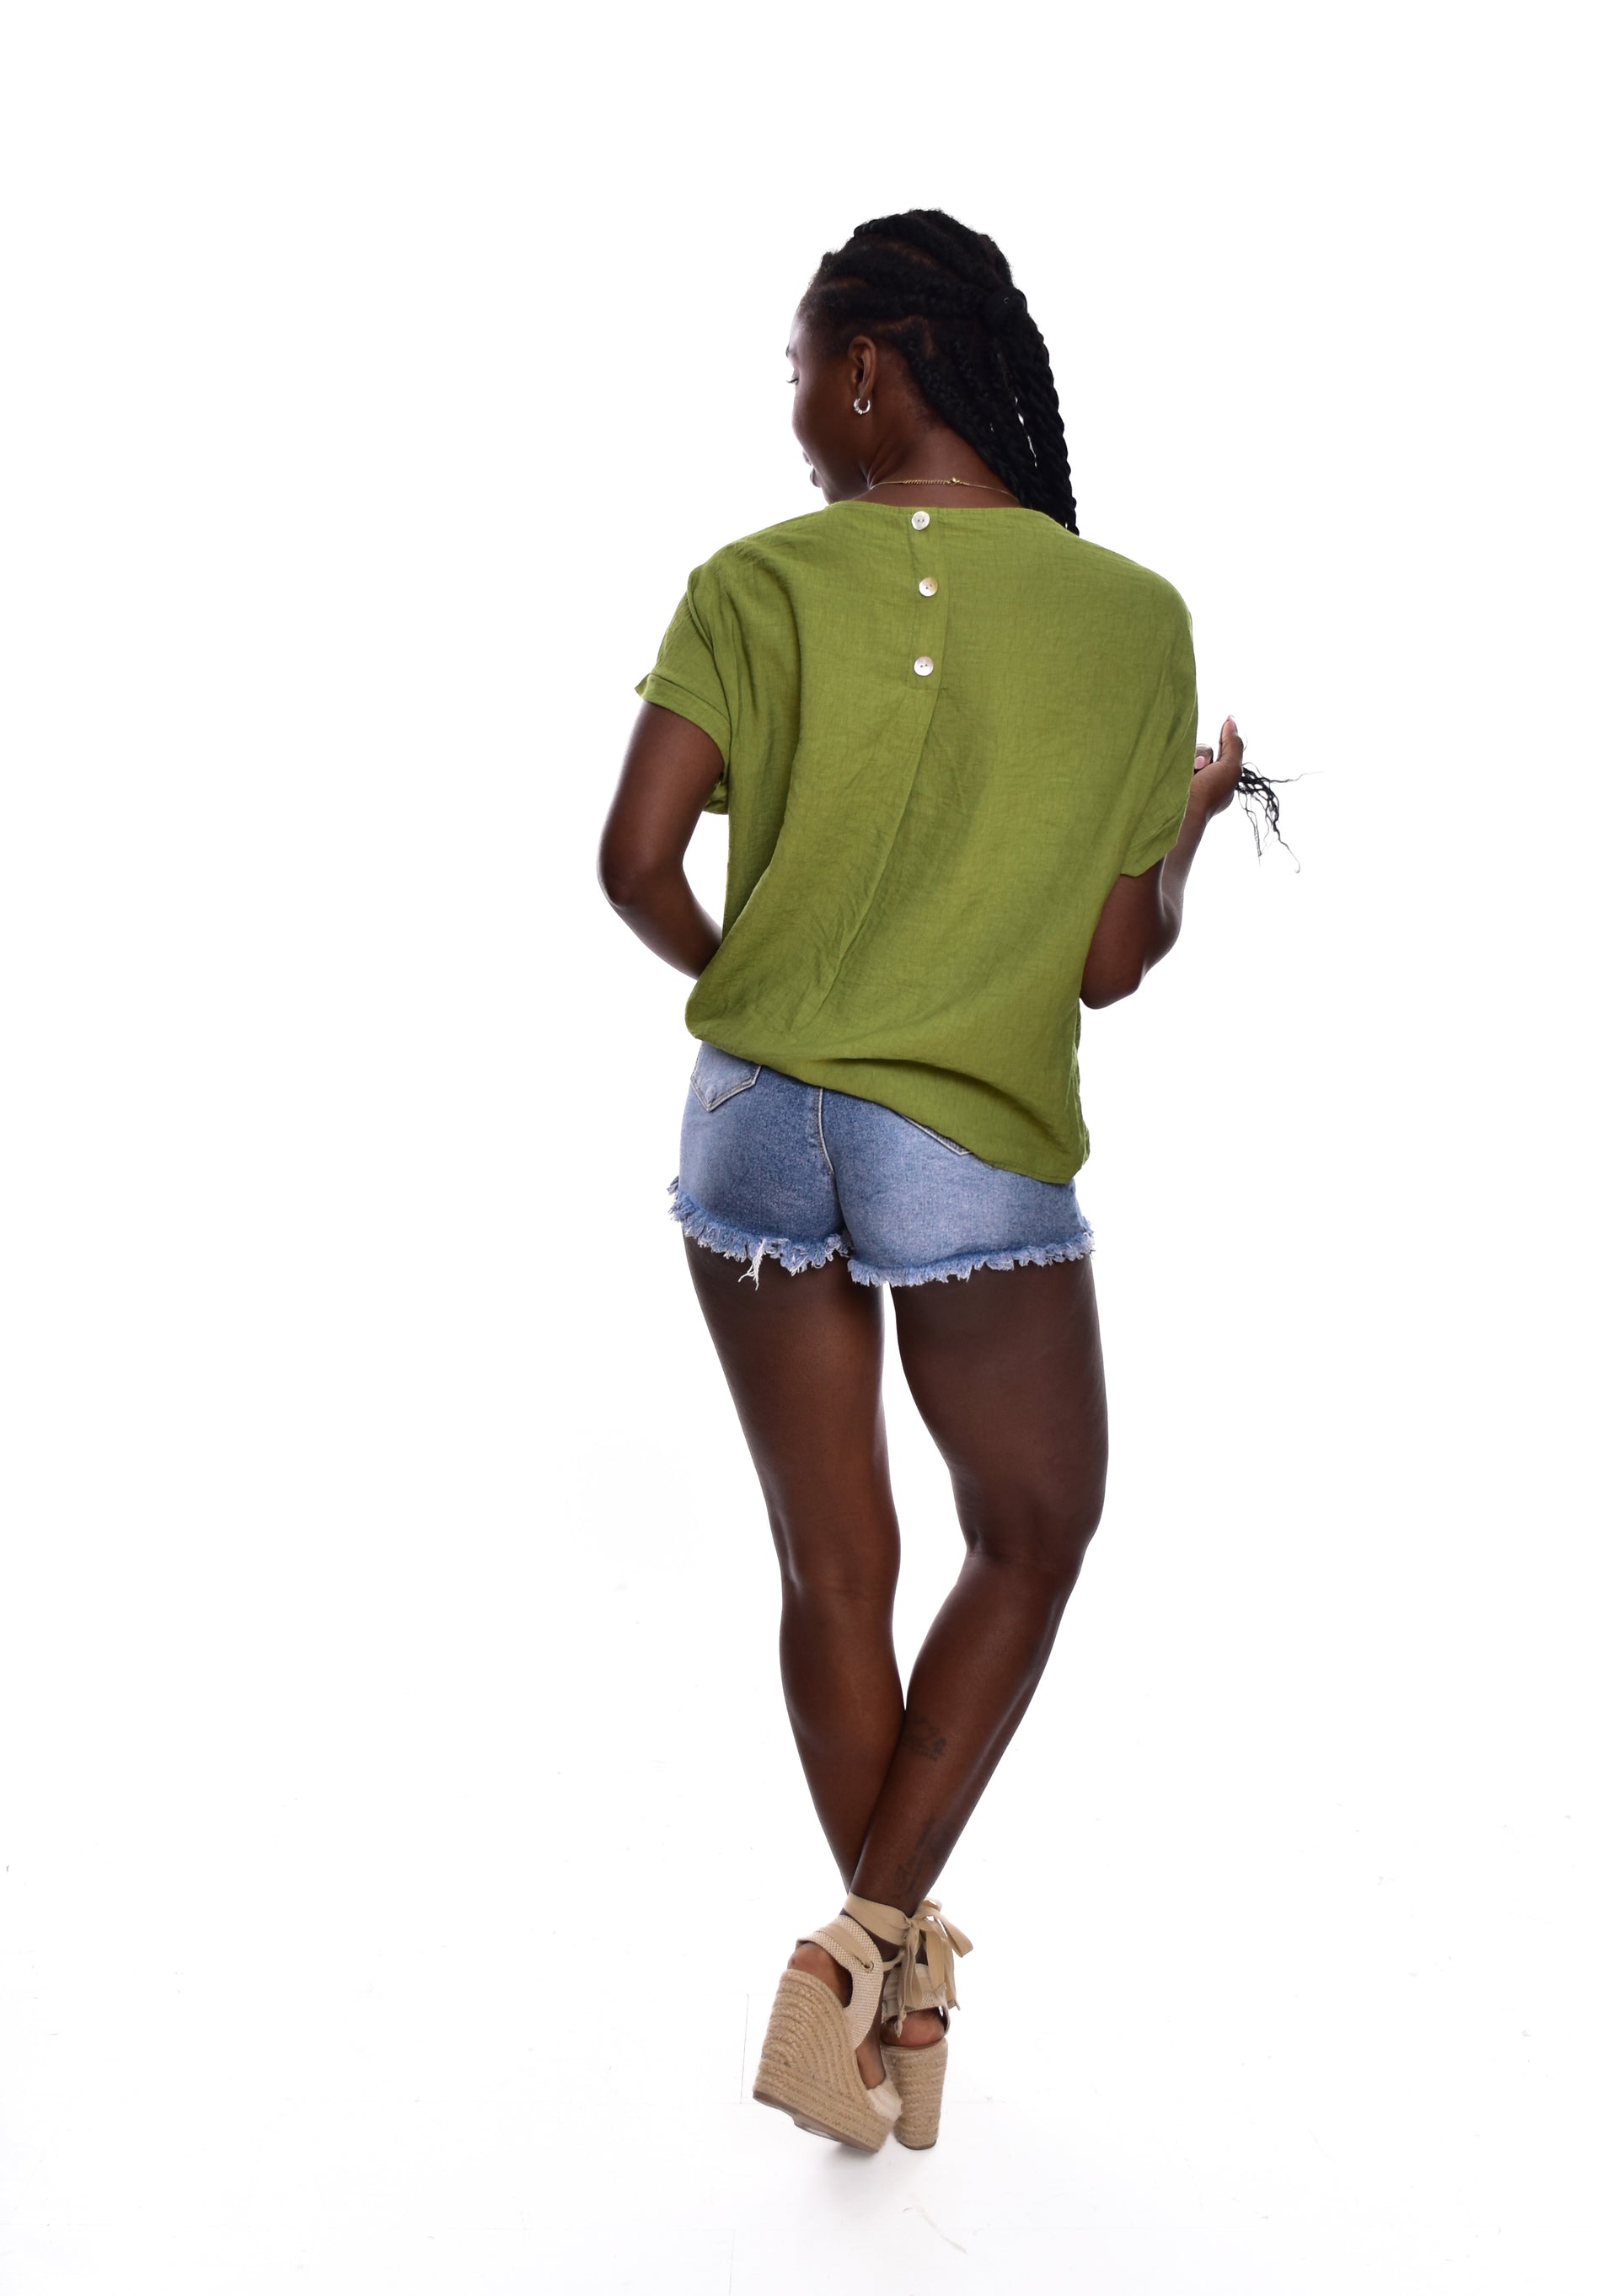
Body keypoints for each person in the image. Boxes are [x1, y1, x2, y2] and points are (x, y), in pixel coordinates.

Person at [598, 209, 1256, 2154]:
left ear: (875, 366)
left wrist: (772, 988)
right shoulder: (1131, 619)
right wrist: (1187, 830)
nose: (799, 411)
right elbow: (1107, 964)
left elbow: (632, 863)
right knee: (1034, 1529)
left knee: (835, 1563)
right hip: (960, 1130)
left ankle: (887, 1995)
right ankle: (856, 1956)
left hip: (746, 1113)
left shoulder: (750, 582)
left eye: (804, 371)